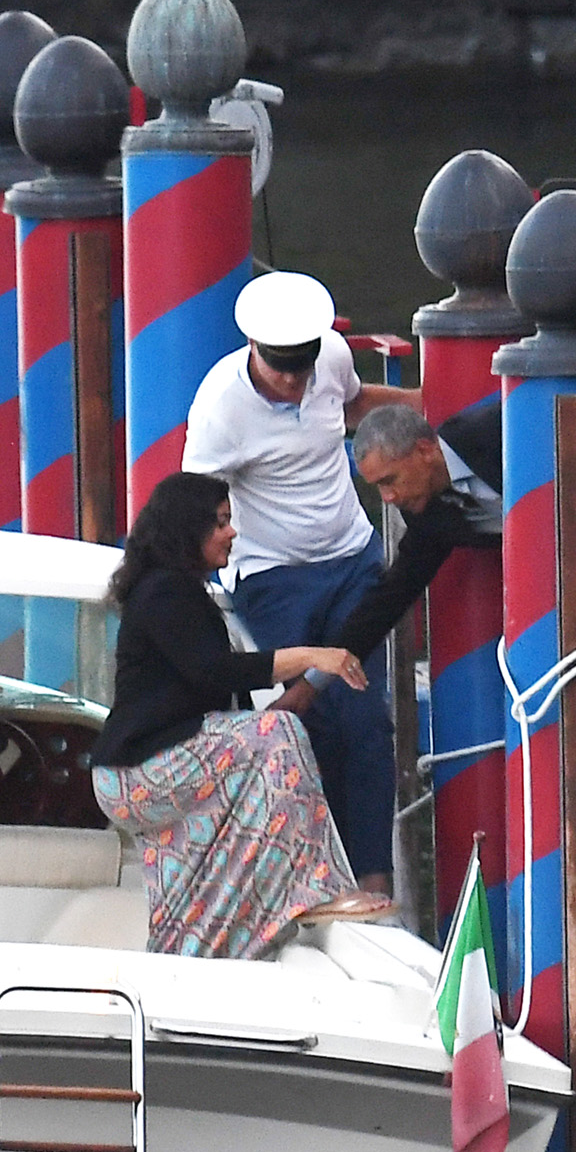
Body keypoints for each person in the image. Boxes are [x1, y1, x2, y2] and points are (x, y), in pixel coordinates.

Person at [90, 472, 393, 961]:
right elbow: (216, 673)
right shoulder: (166, 591)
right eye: (222, 523)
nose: (232, 533)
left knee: (204, 854)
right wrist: (313, 657)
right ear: (188, 529)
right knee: (282, 732)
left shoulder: (175, 591)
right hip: (139, 772)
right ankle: (321, 886)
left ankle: (184, 956)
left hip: (143, 770)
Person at [181, 271, 416, 895]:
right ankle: (319, 873)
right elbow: (194, 504)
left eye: (303, 365)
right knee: (311, 725)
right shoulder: (219, 408)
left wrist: (448, 398)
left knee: (367, 722)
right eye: (281, 367)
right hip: (272, 578)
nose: (293, 379)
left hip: (353, 559)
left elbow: (356, 403)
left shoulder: (332, 359)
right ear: (254, 349)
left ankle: (371, 881)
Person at [277, 398, 502, 714]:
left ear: (425, 450)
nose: (388, 497)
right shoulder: (428, 513)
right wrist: (309, 686)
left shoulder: (494, 431)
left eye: (389, 480)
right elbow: (391, 595)